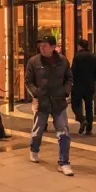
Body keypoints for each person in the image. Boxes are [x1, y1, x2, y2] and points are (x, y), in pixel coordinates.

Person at [24, 36, 74, 176]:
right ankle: (34, 149)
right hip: (42, 100)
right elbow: (28, 81)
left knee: (63, 131)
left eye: (45, 45)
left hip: (58, 101)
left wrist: (65, 91)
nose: (42, 48)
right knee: (38, 130)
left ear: (53, 47)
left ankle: (64, 162)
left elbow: (69, 78)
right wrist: (36, 93)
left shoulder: (63, 61)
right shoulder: (34, 61)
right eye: (41, 45)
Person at [71, 39, 96, 135]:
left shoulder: (77, 56)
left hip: (78, 85)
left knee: (75, 104)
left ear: (79, 46)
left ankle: (82, 119)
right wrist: (92, 79)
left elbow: (73, 71)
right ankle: (89, 128)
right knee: (89, 107)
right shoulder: (95, 57)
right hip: (89, 85)